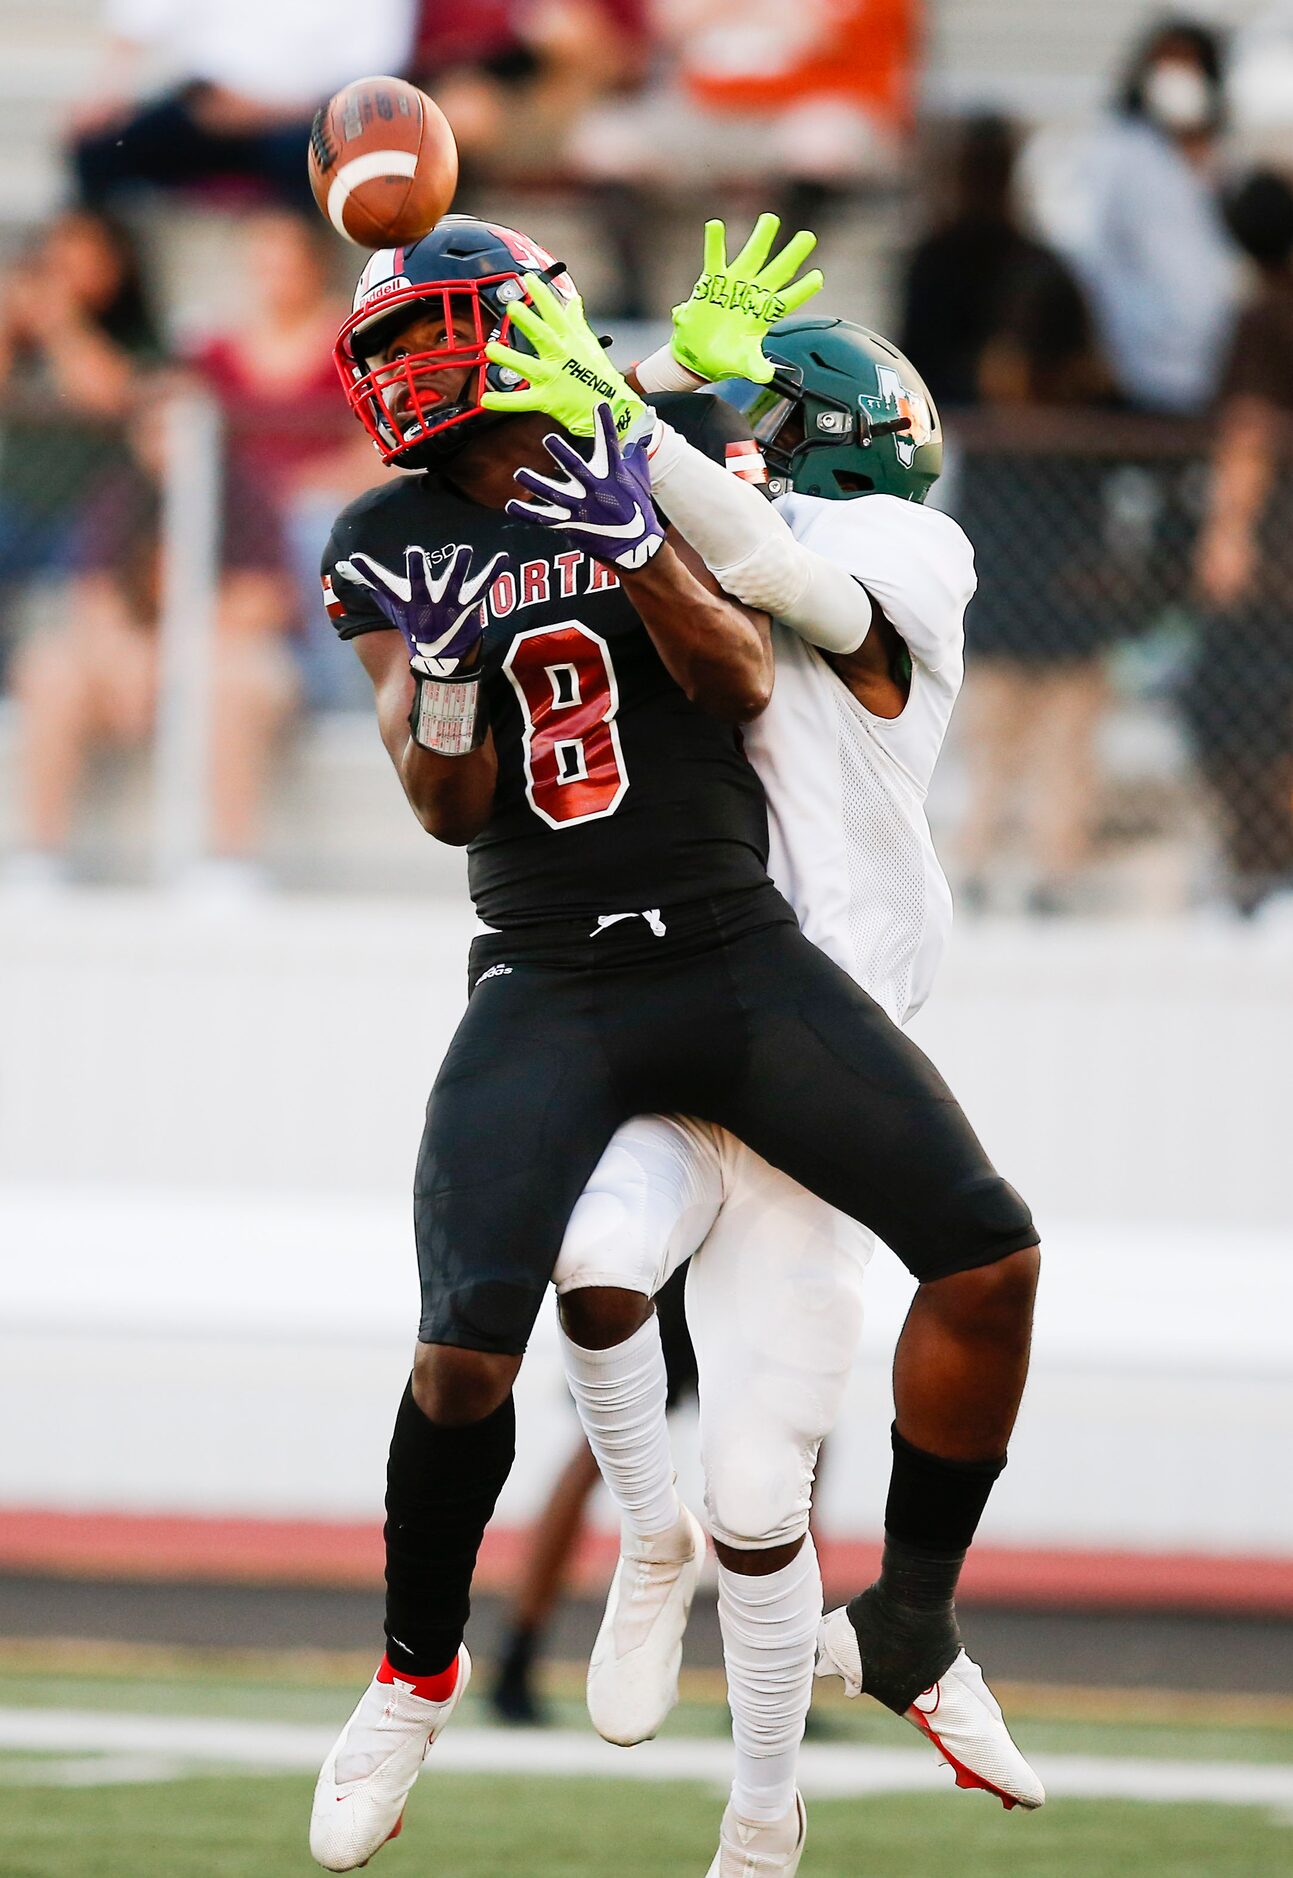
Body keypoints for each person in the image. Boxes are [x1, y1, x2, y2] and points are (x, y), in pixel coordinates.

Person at [306, 215, 1039, 1876]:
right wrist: (436, 672)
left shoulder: (683, 457)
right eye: (393, 344)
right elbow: (447, 805)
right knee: (467, 1339)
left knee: (966, 1259)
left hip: (728, 944)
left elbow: (726, 668)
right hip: (544, 970)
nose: (404, 375)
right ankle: (412, 1673)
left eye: (436, 334)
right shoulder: (381, 536)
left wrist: (636, 493)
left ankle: (863, 1654)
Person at [4, 395, 299, 891]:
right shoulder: (120, 495)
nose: (168, 442)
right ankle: (39, 855)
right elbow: (94, 601)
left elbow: (265, 605)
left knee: (234, 682)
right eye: (156, 428)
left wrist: (173, 649)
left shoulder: (245, 492)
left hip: (228, 654)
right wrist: (132, 656)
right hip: (140, 656)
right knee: (50, 671)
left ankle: (230, 861)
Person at [488, 1260, 697, 1725]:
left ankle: (776, 1671)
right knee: (600, 1445)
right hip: (683, 1248)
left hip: (727, 1249)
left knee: (790, 1450)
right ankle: (516, 1652)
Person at [1034, 14, 1237, 418]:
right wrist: (1093, 348)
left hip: (1207, 370)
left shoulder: (1220, 166)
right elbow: (1084, 250)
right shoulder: (1116, 151)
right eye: (1167, 62)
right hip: (1131, 366)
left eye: (1189, 64)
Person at [1190, 169, 1293, 916]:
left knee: (1234, 706)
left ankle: (1264, 870)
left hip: (1274, 549)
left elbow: (1249, 434)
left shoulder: (1264, 315)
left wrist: (1226, 534)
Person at [0, 209, 160, 681]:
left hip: (97, 519)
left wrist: (59, 319)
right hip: (18, 508)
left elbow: (107, 396)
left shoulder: (137, 341)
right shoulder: (26, 343)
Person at [69, 0, 416, 212]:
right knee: (99, 149)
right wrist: (106, 91)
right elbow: (143, 16)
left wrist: (263, 110)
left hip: (305, 119)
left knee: (311, 163)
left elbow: (376, 69)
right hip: (209, 111)